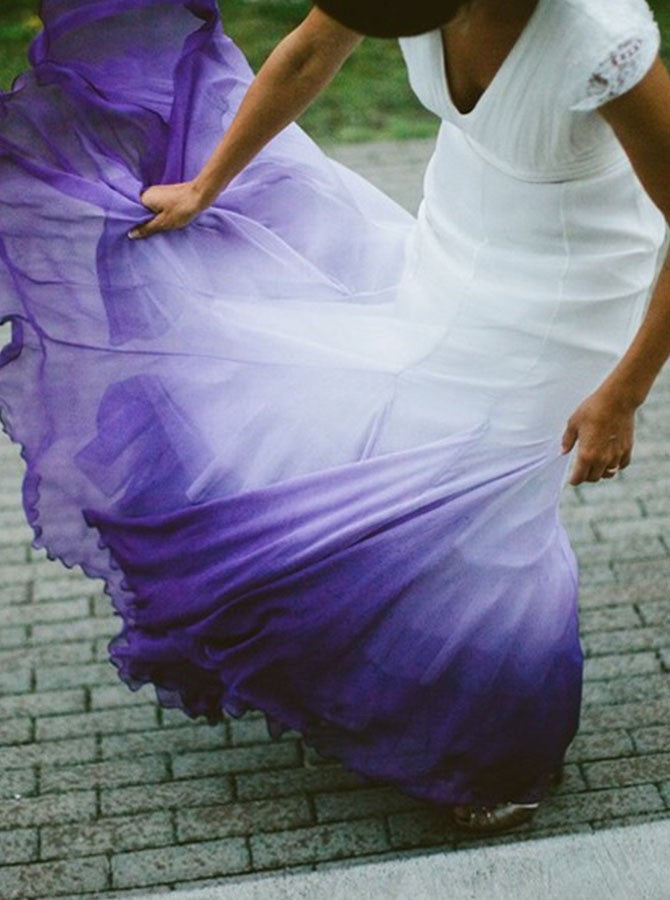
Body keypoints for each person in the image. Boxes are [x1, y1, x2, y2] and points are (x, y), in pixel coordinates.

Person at [0, 0, 668, 834]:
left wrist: (624, 393)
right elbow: (306, 55)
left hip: (569, 288)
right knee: (411, 448)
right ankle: (398, 661)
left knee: (487, 508)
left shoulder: (598, 42)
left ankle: (501, 749)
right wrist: (207, 184)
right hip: (458, 236)